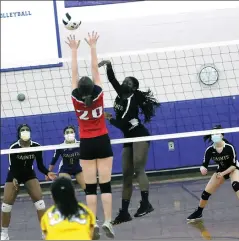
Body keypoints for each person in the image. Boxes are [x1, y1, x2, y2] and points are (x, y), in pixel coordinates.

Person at [98, 60, 160, 225]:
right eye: (124, 80)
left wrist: (109, 118)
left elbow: (123, 122)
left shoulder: (131, 100)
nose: (124, 83)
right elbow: (112, 80)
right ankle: (124, 212)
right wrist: (109, 65)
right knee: (126, 174)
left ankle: (146, 203)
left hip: (139, 135)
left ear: (133, 88)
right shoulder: (120, 93)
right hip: (128, 137)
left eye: (128, 82)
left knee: (138, 168)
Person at [65, 33, 114, 239]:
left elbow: (74, 73)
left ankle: (92, 223)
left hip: (85, 143)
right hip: (102, 141)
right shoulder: (100, 94)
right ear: (93, 88)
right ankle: (108, 221)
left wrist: (73, 50)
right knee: (106, 185)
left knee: (90, 188)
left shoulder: (76, 99)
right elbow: (95, 70)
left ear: (80, 89)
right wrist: (92, 46)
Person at [1, 124, 56, 240]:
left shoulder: (36, 146)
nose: (25, 132)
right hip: (14, 174)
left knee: (40, 203)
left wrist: (47, 173)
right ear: (19, 133)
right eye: (22, 130)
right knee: (6, 206)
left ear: (30, 132)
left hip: (29, 174)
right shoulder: (14, 147)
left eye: (27, 130)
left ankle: (44, 231)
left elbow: (40, 165)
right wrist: (15, 178)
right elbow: (13, 166)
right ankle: (4, 233)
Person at [187, 125, 239, 221]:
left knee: (235, 185)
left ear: (222, 135)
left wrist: (223, 173)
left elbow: (233, 165)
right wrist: (202, 169)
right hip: (221, 170)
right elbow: (204, 164)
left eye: (217, 133)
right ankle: (199, 212)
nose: (215, 135)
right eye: (213, 134)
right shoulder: (210, 150)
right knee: (205, 193)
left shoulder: (229, 147)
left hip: (233, 169)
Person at [47, 125, 85, 191]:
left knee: (88, 188)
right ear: (64, 135)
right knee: (68, 189)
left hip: (78, 169)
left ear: (74, 134)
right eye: (67, 133)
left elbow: (88, 157)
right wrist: (48, 173)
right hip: (65, 169)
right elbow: (54, 161)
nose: (69, 134)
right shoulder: (60, 147)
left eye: (71, 132)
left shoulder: (80, 144)